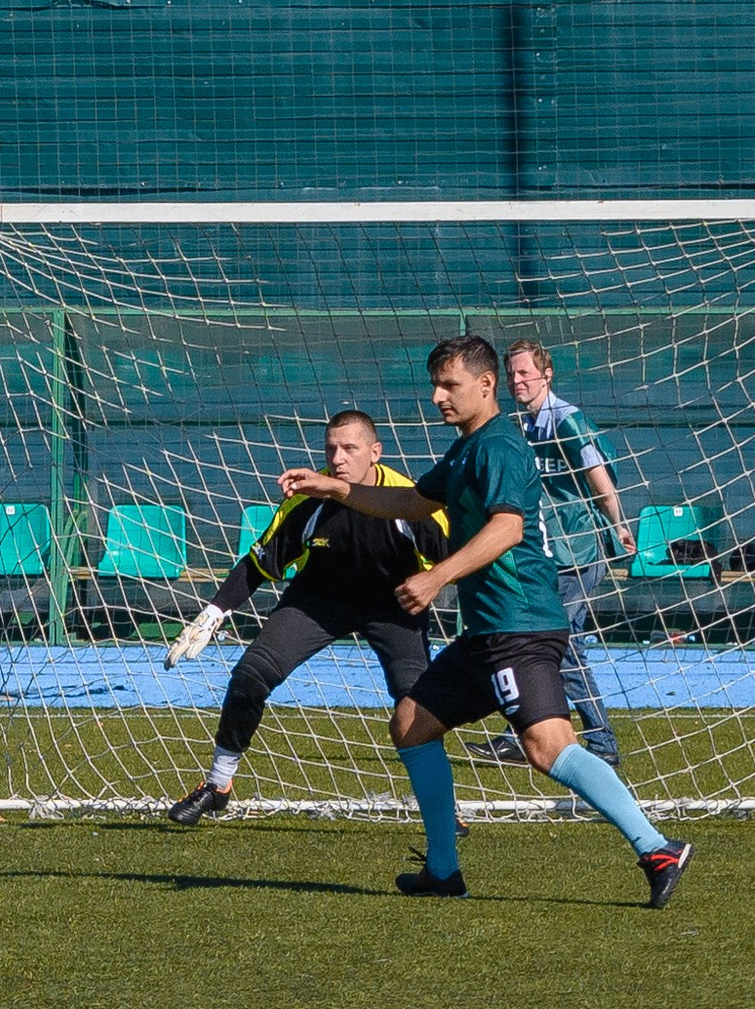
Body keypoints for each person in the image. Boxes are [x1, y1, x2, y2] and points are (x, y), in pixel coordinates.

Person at [278, 334, 689, 906]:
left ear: (486, 384)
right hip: (489, 631)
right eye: (434, 386)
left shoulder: (498, 446)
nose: (437, 397)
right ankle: (443, 870)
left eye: (449, 385)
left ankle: (657, 848)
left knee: (547, 747)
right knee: (412, 723)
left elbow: (508, 529)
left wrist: (437, 575)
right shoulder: (466, 448)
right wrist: (339, 489)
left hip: (520, 625)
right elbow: (413, 502)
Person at [163, 409, 445, 824]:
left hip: (393, 607)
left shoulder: (410, 500)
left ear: (375, 452)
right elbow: (258, 564)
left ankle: (440, 807)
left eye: (350, 448)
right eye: (331, 448)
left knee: (416, 702)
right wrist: (214, 611)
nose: (338, 458)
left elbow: (457, 558)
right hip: (317, 602)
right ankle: (218, 784)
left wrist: (437, 582)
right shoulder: (308, 498)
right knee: (249, 675)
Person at [469, 339, 634, 767]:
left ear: (547, 373)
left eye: (524, 372)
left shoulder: (567, 420)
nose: (517, 381)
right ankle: (521, 733)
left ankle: (601, 742)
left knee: (562, 646)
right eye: (511, 374)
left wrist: (619, 525)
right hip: (548, 554)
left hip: (578, 552)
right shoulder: (520, 426)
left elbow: (599, 477)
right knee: (538, 643)